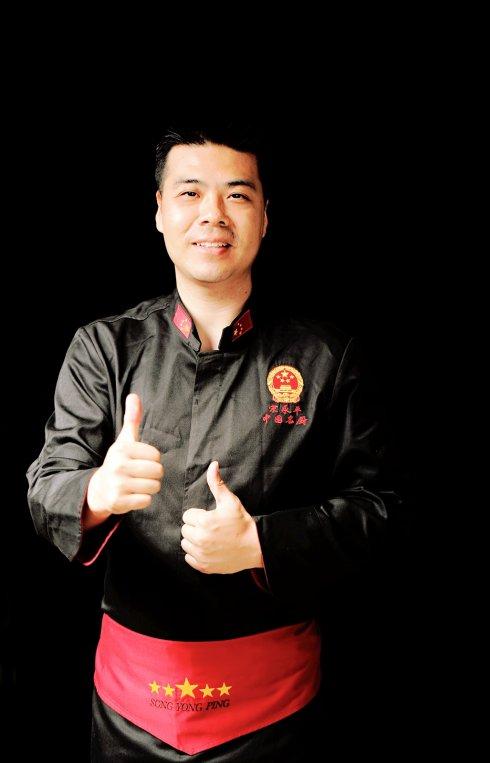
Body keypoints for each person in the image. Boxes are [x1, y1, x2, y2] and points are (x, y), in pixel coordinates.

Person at [26, 125, 406, 761]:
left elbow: (383, 506)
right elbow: (47, 485)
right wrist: (96, 491)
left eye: (237, 194)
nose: (213, 214)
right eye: (190, 193)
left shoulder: (326, 357)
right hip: (131, 706)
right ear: (159, 211)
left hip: (276, 707)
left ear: (264, 216)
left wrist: (261, 543)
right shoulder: (103, 348)